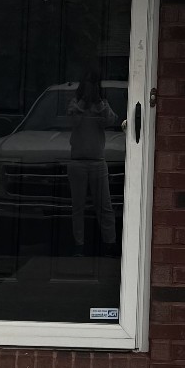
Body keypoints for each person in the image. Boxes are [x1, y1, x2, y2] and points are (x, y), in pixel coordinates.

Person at [66, 70, 119, 249]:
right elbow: (73, 121)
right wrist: (84, 102)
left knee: (105, 206)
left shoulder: (102, 104)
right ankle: (78, 244)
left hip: (97, 161)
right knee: (78, 207)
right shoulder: (75, 103)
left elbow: (110, 121)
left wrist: (98, 103)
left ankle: (109, 243)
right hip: (78, 161)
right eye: (88, 85)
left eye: (94, 85)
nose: (91, 88)